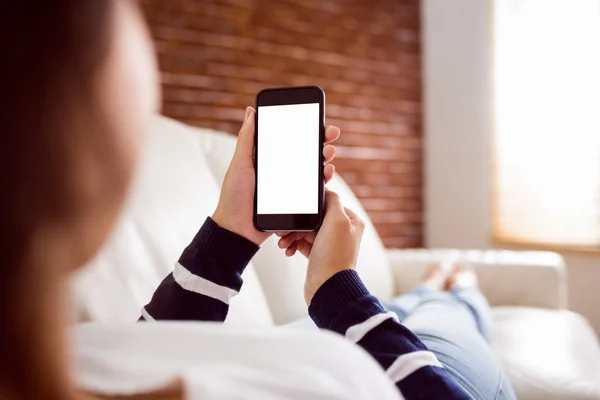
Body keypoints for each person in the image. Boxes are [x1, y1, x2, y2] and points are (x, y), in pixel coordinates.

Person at [0, 1, 513, 399]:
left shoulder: (83, 354)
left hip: (318, 340)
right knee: (443, 314)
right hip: (369, 355)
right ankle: (456, 291)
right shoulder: (325, 382)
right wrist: (338, 291)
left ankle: (430, 291)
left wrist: (230, 235)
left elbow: (152, 350)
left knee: (405, 307)